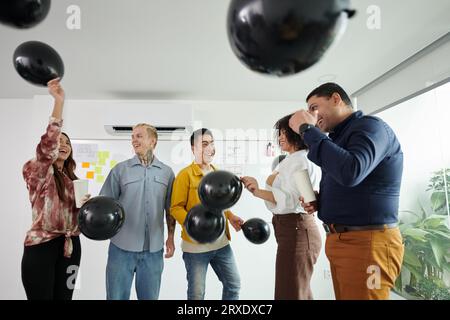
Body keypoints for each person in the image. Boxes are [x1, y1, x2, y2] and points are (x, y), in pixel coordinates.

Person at [288, 82, 404, 300]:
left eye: (314, 107)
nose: (313, 115)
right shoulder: (337, 139)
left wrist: (306, 129)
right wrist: (323, 201)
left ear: (336, 98)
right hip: (343, 241)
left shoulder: (372, 127)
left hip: (369, 244)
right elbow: (350, 181)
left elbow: (352, 171)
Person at [241, 114, 322, 300]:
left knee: (291, 292)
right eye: (279, 133)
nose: (279, 138)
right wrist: (258, 189)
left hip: (297, 230)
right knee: (295, 290)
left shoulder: (300, 160)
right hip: (292, 229)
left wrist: (256, 191)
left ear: (297, 133)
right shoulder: (294, 159)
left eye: (284, 133)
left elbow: (295, 200)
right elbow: (300, 197)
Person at [22, 78, 86, 300]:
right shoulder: (39, 171)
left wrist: (85, 209)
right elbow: (48, 144)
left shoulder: (74, 181)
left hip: (72, 248)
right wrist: (59, 102)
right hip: (42, 247)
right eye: (60, 141)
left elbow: (80, 221)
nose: (64, 144)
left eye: (68, 143)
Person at [99, 123, 175, 300]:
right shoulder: (120, 170)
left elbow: (170, 209)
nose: (134, 140)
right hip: (121, 248)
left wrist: (170, 237)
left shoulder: (167, 173)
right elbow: (105, 204)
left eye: (139, 136)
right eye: (132, 137)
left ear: (153, 141)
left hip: (154, 250)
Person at [170, 128, 243, 300]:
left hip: (221, 244)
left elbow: (219, 204)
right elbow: (175, 208)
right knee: (197, 295)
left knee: (233, 285)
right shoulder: (185, 175)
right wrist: (194, 224)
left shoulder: (217, 173)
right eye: (204, 144)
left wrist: (230, 217)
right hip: (195, 247)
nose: (210, 147)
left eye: (211, 143)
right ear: (193, 148)